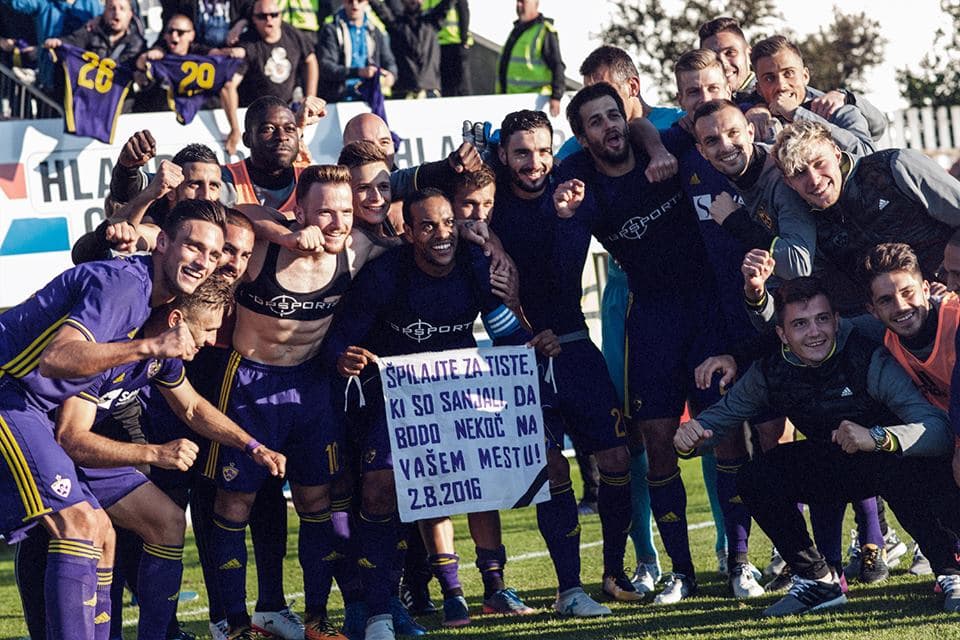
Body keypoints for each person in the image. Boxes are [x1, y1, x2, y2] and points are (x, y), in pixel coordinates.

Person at [0, 199, 281, 640]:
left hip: (33, 409)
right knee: (81, 525)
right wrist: (151, 357)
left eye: (213, 253)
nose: (204, 261)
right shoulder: (125, 291)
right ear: (163, 242)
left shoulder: (157, 309)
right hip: (10, 395)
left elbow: (191, 407)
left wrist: (252, 446)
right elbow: (58, 360)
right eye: (193, 246)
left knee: (135, 528)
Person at [322, 188, 560, 639]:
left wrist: (530, 341)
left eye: (448, 222)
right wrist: (343, 358)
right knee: (378, 490)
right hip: (396, 399)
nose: (442, 234)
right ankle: (383, 607)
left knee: (490, 473)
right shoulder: (384, 275)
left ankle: (496, 588)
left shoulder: (473, 265)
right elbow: (340, 338)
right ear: (408, 232)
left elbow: (503, 327)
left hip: (459, 391)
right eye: (428, 226)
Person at [674, 276, 960, 616]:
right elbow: (716, 422)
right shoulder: (770, 371)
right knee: (757, 475)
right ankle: (817, 581)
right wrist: (690, 438)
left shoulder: (866, 356)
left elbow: (937, 429)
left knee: (896, 466)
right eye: (800, 324)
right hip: (839, 462)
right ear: (781, 334)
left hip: (897, 461)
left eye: (823, 319)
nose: (815, 332)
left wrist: (879, 437)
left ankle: (950, 570)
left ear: (837, 320)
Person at [556, 82, 721, 604]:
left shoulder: (666, 146)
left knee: (729, 433)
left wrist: (654, 145)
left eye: (614, 115)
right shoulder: (581, 183)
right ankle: (682, 572)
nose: (610, 127)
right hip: (650, 318)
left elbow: (697, 120)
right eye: (596, 122)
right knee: (655, 440)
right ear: (582, 138)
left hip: (707, 310)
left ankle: (739, 561)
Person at [491, 109, 637, 605]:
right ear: (504, 155)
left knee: (617, 459)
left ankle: (614, 574)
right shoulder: (491, 203)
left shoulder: (571, 193)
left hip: (573, 346)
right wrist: (487, 239)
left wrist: (563, 217)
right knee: (553, 470)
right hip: (521, 356)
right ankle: (569, 589)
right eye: (521, 152)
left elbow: (559, 276)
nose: (533, 161)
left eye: (541, 150)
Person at [772, 119, 960, 282]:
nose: (814, 179)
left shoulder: (896, 167)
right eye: (799, 173)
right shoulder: (809, 224)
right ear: (789, 182)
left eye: (819, 163)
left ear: (837, 154)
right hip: (903, 317)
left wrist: (952, 275)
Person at [697, 16, 887, 143]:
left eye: (730, 52)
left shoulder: (808, 99)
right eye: (713, 56)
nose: (722, 62)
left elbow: (875, 130)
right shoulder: (705, 102)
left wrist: (847, 97)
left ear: (748, 53)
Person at [747, 35, 874, 155]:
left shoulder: (838, 111)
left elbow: (868, 154)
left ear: (805, 76)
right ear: (758, 88)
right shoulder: (754, 124)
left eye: (789, 73)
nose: (781, 85)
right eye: (769, 78)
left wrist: (798, 114)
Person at [222, 0, 318, 113]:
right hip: (257, 113)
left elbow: (310, 59)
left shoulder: (293, 34)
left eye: (274, 15)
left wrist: (310, 97)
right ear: (253, 19)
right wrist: (235, 129)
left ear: (280, 15)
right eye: (262, 16)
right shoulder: (247, 44)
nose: (269, 20)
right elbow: (229, 86)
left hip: (289, 109)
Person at [316, 0, 397, 104]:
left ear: (367, 2)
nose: (355, 4)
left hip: (369, 99)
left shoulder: (375, 30)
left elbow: (389, 61)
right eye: (350, 1)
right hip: (339, 100)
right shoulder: (331, 29)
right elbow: (326, 67)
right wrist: (358, 72)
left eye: (360, 0)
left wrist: (391, 76)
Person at [369, 0, 452, 99]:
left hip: (430, 91)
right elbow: (379, 8)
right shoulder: (395, 24)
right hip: (403, 92)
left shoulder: (432, 22)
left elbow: (447, 4)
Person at [497, 0, 564, 117]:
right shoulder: (517, 29)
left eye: (523, 2)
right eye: (518, 2)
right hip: (510, 100)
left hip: (534, 102)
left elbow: (557, 65)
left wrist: (556, 97)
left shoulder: (544, 31)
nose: (519, 5)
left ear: (535, 3)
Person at [422, 0, 471, 96]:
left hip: (454, 43)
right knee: (446, 86)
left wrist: (464, 39)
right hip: (436, 44)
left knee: (459, 87)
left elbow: (464, 12)